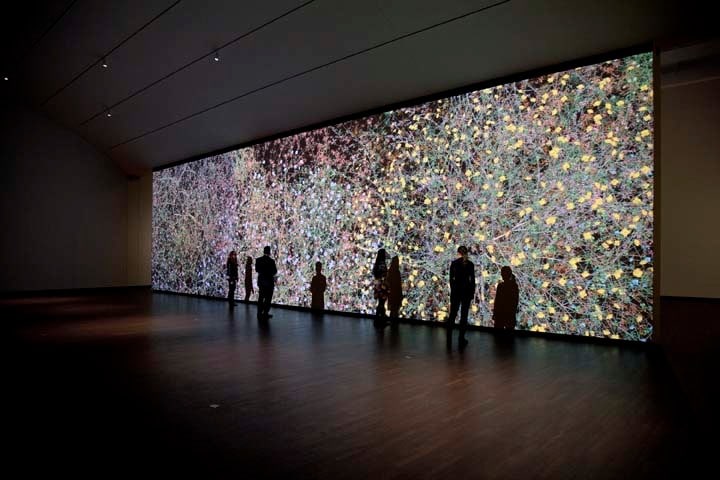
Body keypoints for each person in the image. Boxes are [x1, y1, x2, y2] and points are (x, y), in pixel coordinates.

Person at [447, 245, 476, 348]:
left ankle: (448, 336)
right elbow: (472, 281)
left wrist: (453, 290)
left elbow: (451, 280)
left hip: (456, 292)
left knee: (453, 314)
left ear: (458, 253)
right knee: (464, 316)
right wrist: (472, 293)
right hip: (466, 293)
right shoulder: (470, 264)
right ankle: (461, 338)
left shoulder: (454, 264)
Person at [493, 266, 519, 331]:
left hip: (501, 314)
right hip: (510, 314)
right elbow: (516, 301)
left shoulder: (501, 286)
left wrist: (495, 313)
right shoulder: (514, 285)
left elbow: (497, 301)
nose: (501, 275)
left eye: (502, 273)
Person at [255, 246, 277, 319]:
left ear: (263, 251)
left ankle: (259, 312)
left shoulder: (258, 260)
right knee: (268, 299)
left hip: (261, 282)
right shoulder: (271, 261)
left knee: (261, 297)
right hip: (269, 282)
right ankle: (265, 313)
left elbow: (257, 270)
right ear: (269, 252)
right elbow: (274, 272)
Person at [372, 248, 389, 320]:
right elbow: (383, 275)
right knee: (382, 302)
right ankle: (381, 318)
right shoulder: (382, 264)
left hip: (378, 286)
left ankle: (380, 317)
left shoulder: (376, 263)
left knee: (380, 302)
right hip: (382, 286)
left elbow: (375, 274)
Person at [386, 255, 403, 320]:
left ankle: (391, 321)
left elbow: (387, 282)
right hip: (396, 293)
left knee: (392, 309)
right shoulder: (397, 272)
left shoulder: (389, 271)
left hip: (391, 293)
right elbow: (399, 284)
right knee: (395, 310)